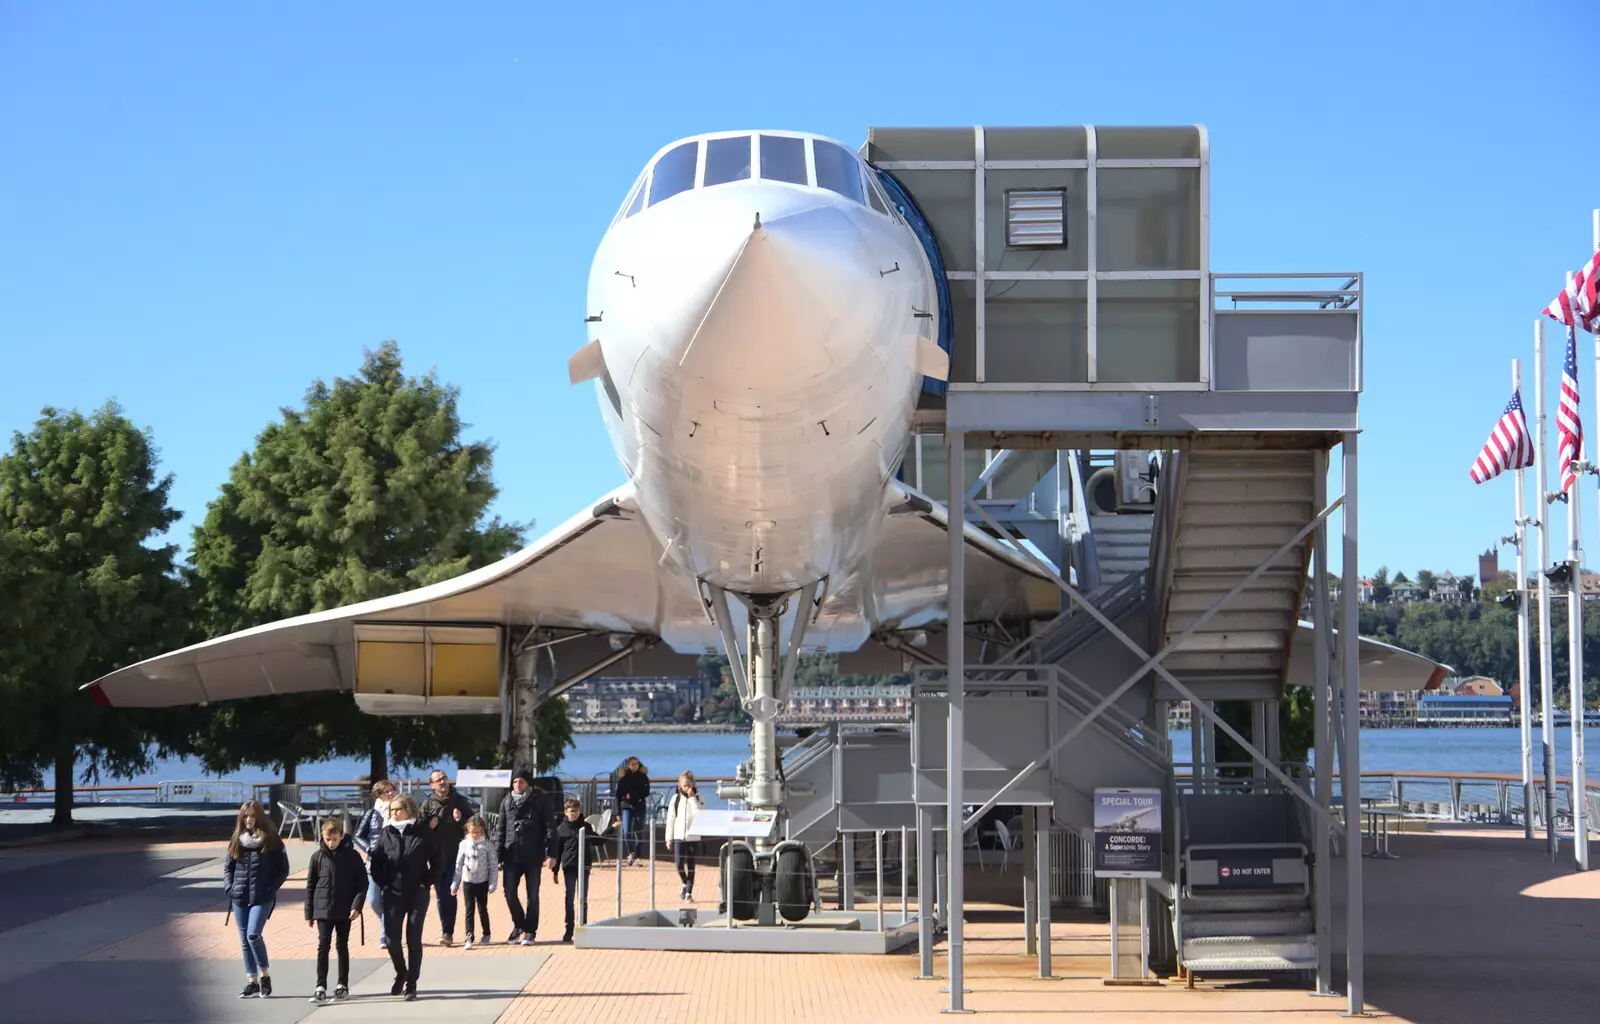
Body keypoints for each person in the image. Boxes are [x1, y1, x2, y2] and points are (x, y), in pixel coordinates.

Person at [368, 793, 439, 1001]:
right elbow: (376, 863)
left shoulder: (423, 832)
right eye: (392, 810)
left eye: (398, 809)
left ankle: (412, 984)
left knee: (413, 939)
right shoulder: (386, 833)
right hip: (393, 894)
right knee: (391, 939)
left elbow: (438, 861)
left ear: (409, 809)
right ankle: (401, 971)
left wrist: (426, 882)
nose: (394, 813)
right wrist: (385, 884)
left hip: (417, 893)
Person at [223, 800, 290, 999]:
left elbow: (283, 869)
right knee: (244, 939)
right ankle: (251, 981)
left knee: (253, 935)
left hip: (262, 896)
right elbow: (229, 867)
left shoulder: (271, 839)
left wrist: (271, 888)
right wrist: (229, 888)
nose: (249, 819)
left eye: (252, 815)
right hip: (240, 895)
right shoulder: (237, 838)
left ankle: (265, 975)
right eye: (245, 816)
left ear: (259, 817)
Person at [304, 817, 366, 1004]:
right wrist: (309, 912)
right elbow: (310, 885)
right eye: (327, 839)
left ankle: (342, 985)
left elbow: (362, 884)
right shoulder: (317, 857)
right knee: (323, 946)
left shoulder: (353, 857)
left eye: (334, 839)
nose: (330, 843)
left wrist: (357, 906)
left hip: (344, 909)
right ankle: (320, 986)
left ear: (341, 836)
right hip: (323, 909)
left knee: (342, 946)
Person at [494, 768, 554, 945]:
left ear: (528, 783)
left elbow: (551, 828)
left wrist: (551, 853)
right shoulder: (506, 801)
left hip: (533, 855)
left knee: (532, 895)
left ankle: (530, 931)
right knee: (509, 892)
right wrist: (497, 856)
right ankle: (519, 924)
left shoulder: (540, 800)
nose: (517, 785)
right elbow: (500, 830)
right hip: (511, 854)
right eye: (514, 782)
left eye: (521, 782)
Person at [420, 768, 476, 947]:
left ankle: (448, 932)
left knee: (449, 893)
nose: (442, 782)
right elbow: (418, 831)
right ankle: (446, 929)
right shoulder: (427, 804)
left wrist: (461, 820)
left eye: (443, 778)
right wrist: (429, 825)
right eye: (438, 780)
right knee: (441, 895)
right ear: (432, 785)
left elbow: (473, 825)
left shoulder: (459, 801)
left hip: (456, 856)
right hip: (435, 858)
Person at [549, 797, 610, 943]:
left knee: (583, 898)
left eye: (576, 811)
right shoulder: (561, 829)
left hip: (584, 866)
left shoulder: (586, 827)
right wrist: (555, 871)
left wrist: (611, 829)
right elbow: (557, 851)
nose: (573, 814)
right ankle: (569, 929)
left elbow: (598, 840)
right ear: (565, 812)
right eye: (571, 811)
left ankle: (583, 926)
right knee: (569, 897)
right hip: (569, 867)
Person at [352, 779, 396, 949]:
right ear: (379, 794)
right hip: (373, 864)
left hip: (393, 864)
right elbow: (358, 836)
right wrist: (370, 850)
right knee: (373, 901)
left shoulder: (400, 811)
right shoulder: (371, 814)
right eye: (387, 791)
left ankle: (385, 936)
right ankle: (388, 923)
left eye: (392, 790)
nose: (391, 793)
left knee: (389, 901)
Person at [450, 815, 498, 949]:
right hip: (468, 881)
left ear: (482, 830)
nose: (475, 835)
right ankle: (469, 936)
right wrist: (455, 883)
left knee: (482, 909)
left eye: (478, 832)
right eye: (473, 832)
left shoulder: (488, 845)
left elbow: (493, 865)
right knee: (469, 910)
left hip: (482, 881)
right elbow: (459, 864)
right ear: (468, 831)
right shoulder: (464, 844)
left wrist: (492, 883)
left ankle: (486, 933)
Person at [664, 771, 705, 901]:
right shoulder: (675, 799)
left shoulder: (699, 798)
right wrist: (668, 838)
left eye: (688, 784)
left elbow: (700, 815)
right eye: (684, 785)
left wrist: (692, 798)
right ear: (680, 785)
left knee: (691, 865)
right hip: (678, 836)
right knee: (679, 864)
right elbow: (670, 819)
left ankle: (689, 892)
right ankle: (684, 882)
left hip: (693, 837)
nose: (686, 787)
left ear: (693, 784)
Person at [613, 756, 651, 866]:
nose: (634, 766)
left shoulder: (643, 777)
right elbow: (618, 796)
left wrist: (636, 796)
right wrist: (618, 812)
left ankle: (638, 856)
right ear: (628, 765)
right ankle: (631, 853)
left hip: (639, 806)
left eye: (636, 764)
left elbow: (646, 791)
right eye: (632, 764)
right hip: (626, 807)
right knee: (626, 832)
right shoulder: (623, 779)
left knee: (639, 831)